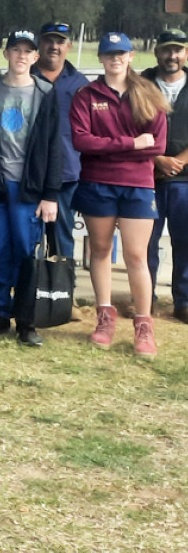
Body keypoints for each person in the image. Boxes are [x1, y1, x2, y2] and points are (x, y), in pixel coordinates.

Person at [71, 32, 167, 358]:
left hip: (139, 185)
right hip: (98, 182)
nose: (116, 59)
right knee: (99, 251)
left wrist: (110, 146)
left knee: (136, 256)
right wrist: (130, 144)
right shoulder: (87, 95)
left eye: (122, 53)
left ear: (131, 57)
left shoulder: (147, 93)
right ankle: (104, 317)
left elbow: (157, 145)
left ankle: (143, 325)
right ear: (101, 58)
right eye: (110, 54)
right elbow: (83, 141)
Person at [0, 30, 61, 347]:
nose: (21, 56)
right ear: (6, 54)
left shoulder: (46, 93)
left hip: (28, 189)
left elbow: (53, 147)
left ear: (36, 57)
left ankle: (27, 319)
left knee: (25, 252)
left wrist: (49, 194)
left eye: (27, 51)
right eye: (15, 50)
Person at [33, 21, 90, 260]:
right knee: (28, 237)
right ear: (40, 44)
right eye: (49, 41)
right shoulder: (24, 76)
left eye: (60, 42)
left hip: (66, 171)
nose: (54, 46)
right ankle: (28, 291)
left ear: (69, 46)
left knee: (62, 236)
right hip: (29, 171)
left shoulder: (81, 84)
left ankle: (62, 290)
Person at [143, 29, 188, 322]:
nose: (172, 56)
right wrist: (157, 158)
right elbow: (127, 127)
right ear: (157, 52)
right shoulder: (141, 83)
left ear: (185, 53)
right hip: (147, 176)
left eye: (178, 50)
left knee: (185, 240)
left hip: (184, 179)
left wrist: (180, 161)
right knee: (145, 242)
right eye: (166, 50)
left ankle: (183, 300)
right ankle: (145, 299)